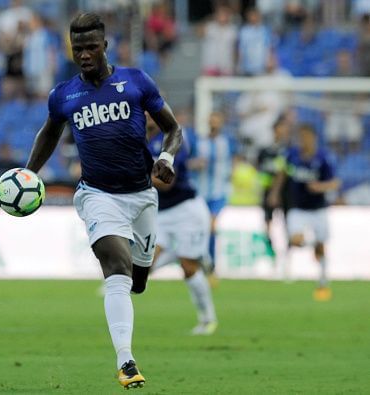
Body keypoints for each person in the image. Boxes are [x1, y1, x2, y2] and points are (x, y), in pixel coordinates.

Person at [24, 13, 182, 389]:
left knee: (138, 281)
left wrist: (166, 158)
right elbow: (48, 134)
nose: (84, 55)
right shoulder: (64, 95)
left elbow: (173, 129)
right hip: (97, 195)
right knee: (117, 267)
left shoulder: (136, 82)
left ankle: (135, 280)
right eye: (78, 49)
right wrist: (29, 173)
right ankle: (126, 362)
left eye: (91, 47)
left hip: (142, 195)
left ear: (105, 46)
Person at [146, 114, 218, 336]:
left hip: (187, 211)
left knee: (188, 268)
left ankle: (208, 319)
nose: (146, 115)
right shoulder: (140, 141)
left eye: (150, 111)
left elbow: (166, 183)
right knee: (144, 267)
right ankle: (182, 254)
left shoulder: (172, 141)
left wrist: (135, 177)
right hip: (161, 214)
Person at [268, 124, 340, 301]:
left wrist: (320, 187)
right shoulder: (291, 155)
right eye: (301, 137)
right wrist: (275, 192)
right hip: (298, 208)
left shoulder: (323, 157)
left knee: (322, 248)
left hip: (318, 209)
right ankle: (312, 243)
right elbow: (282, 174)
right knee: (295, 240)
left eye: (306, 137)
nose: (303, 141)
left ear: (313, 138)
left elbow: (335, 182)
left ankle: (323, 282)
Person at [189, 111, 236, 279]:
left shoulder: (228, 141)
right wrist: (195, 164)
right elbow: (187, 163)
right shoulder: (197, 141)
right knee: (204, 229)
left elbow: (235, 161)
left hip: (219, 192)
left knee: (211, 225)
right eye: (212, 121)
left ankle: (210, 264)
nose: (214, 124)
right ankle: (204, 263)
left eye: (217, 121)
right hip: (200, 193)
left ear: (221, 122)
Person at [257, 115, 291, 256]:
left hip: (286, 191)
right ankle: (271, 249)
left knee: (288, 222)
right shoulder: (265, 151)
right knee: (267, 221)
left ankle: (287, 252)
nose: (282, 131)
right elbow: (260, 169)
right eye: (279, 128)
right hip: (267, 190)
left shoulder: (290, 151)